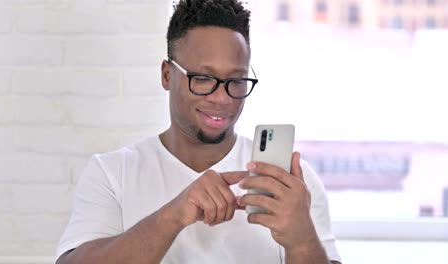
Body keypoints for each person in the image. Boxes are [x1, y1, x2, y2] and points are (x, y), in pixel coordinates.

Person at [55, 0, 341, 263]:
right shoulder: (112, 173)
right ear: (167, 75)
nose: (222, 98)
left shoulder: (291, 185)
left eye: (236, 80)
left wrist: (302, 241)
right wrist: (173, 216)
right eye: (203, 79)